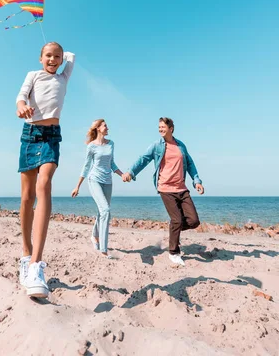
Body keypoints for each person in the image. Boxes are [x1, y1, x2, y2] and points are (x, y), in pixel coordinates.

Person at [16, 42, 75, 298]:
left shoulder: (64, 76)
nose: (53, 59)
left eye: (57, 57)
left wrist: (63, 53)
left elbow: (72, 56)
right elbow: (20, 97)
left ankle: (36, 266)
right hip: (30, 134)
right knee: (27, 197)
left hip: (52, 137)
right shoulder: (33, 75)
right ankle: (26, 253)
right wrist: (21, 107)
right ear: (40, 58)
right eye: (48, 55)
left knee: (44, 185)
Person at [122, 117, 204, 266]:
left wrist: (196, 181)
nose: (160, 129)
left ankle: (174, 228)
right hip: (165, 187)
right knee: (177, 220)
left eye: (163, 127)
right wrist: (131, 172)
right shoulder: (156, 146)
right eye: (159, 127)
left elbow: (190, 163)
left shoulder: (181, 145)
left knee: (194, 221)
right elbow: (143, 159)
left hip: (182, 188)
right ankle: (173, 253)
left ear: (171, 128)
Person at [71, 119, 123, 258]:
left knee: (102, 212)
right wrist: (77, 186)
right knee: (106, 210)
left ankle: (94, 236)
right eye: (105, 125)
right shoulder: (91, 147)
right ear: (98, 128)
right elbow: (86, 166)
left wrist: (122, 174)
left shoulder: (111, 144)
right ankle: (104, 249)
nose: (107, 128)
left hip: (108, 181)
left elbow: (112, 163)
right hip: (94, 180)